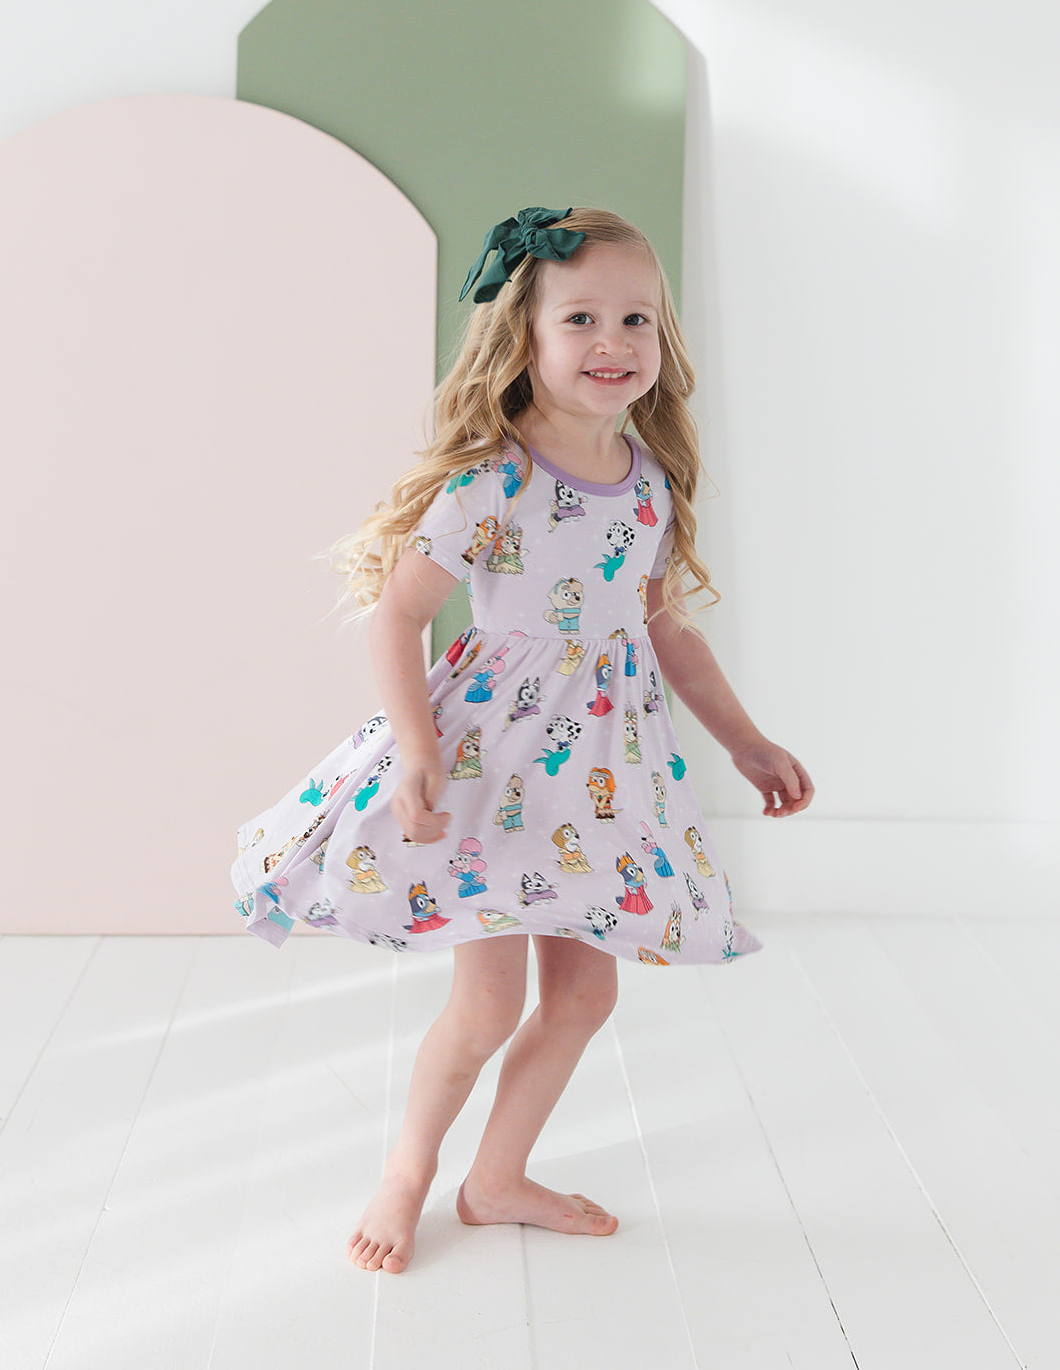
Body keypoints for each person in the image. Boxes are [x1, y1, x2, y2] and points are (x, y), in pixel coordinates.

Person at [231, 205, 814, 1274]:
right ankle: (407, 1170)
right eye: (579, 317)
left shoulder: (647, 482)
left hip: (600, 775)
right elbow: (398, 616)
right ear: (525, 336)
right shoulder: (494, 481)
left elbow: (663, 628)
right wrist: (418, 749)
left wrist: (744, 740)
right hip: (491, 768)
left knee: (585, 996)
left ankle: (496, 1178)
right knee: (487, 1002)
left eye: (635, 319)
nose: (611, 340)